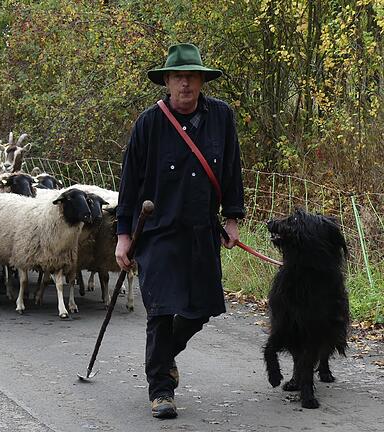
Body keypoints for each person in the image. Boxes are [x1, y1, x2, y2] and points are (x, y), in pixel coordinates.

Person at [114, 43, 245, 419]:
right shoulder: (148, 124)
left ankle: (165, 356)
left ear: (202, 81)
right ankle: (161, 390)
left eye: (192, 77)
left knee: (201, 309)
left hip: (202, 231)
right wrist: (124, 235)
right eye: (177, 77)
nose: (185, 84)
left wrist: (232, 219)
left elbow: (232, 170)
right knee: (160, 310)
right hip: (157, 232)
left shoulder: (222, 117)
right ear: (167, 82)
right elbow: (129, 184)